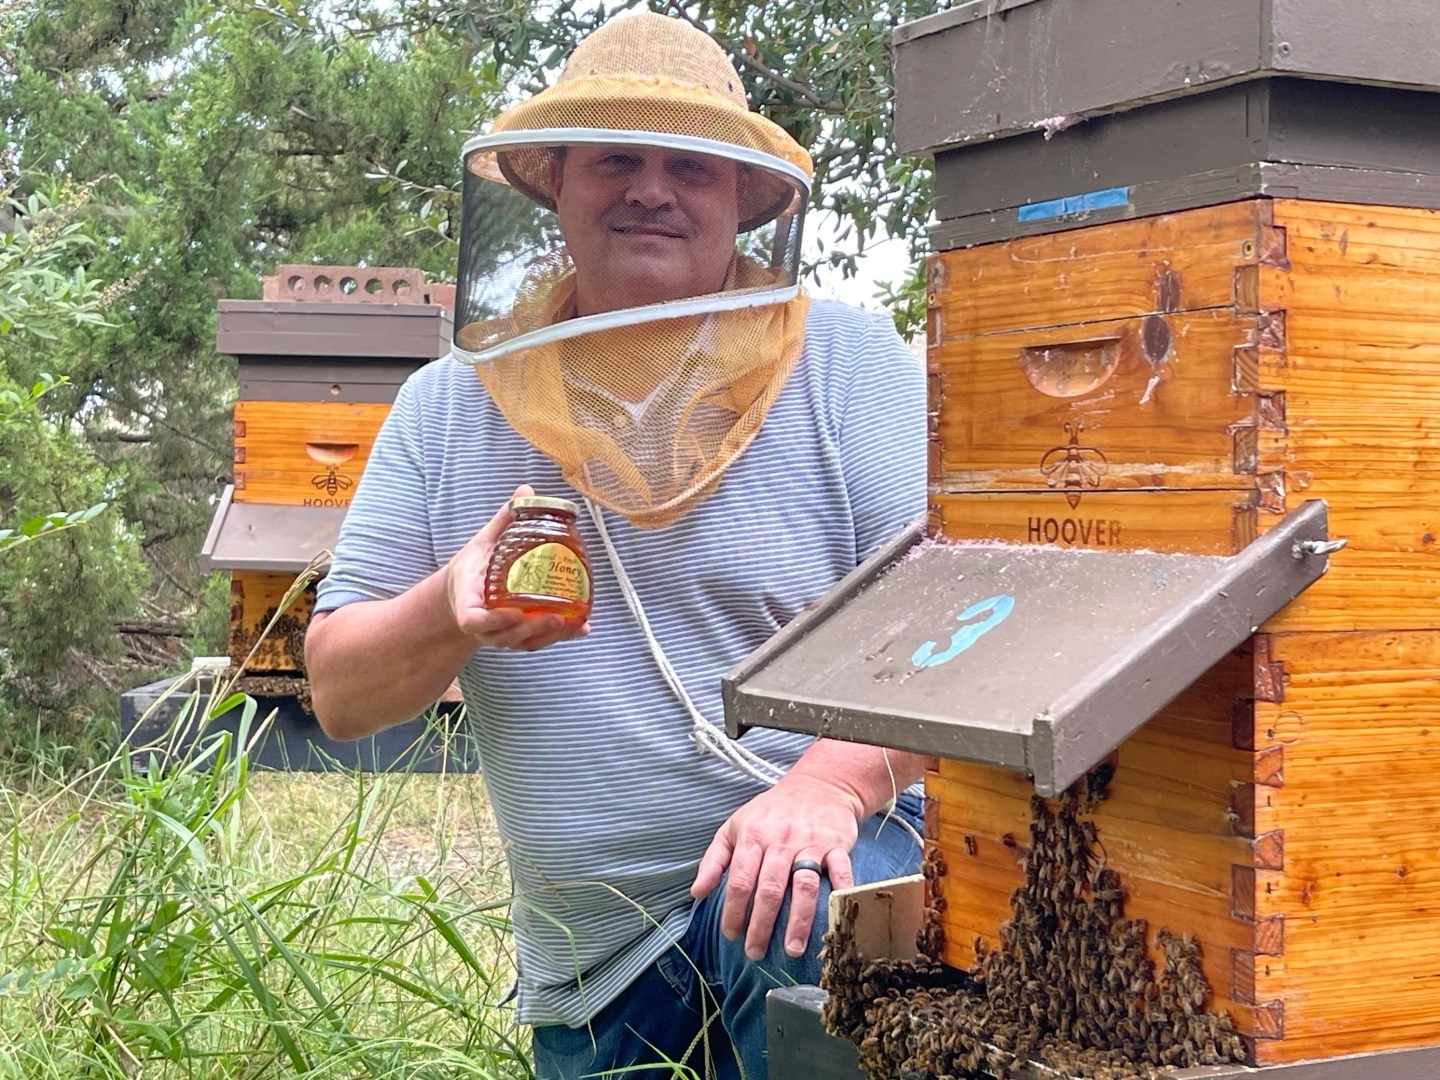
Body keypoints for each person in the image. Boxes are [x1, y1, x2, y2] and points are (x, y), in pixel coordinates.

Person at [305, 11, 929, 1079]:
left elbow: (953, 623)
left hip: (826, 872)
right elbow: (339, 691)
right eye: (615, 160)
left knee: (805, 914)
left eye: (691, 164)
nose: (653, 189)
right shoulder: (445, 407)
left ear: (745, 197)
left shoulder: (849, 364)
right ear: (553, 184)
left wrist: (827, 786)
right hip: (592, 966)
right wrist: (449, 604)